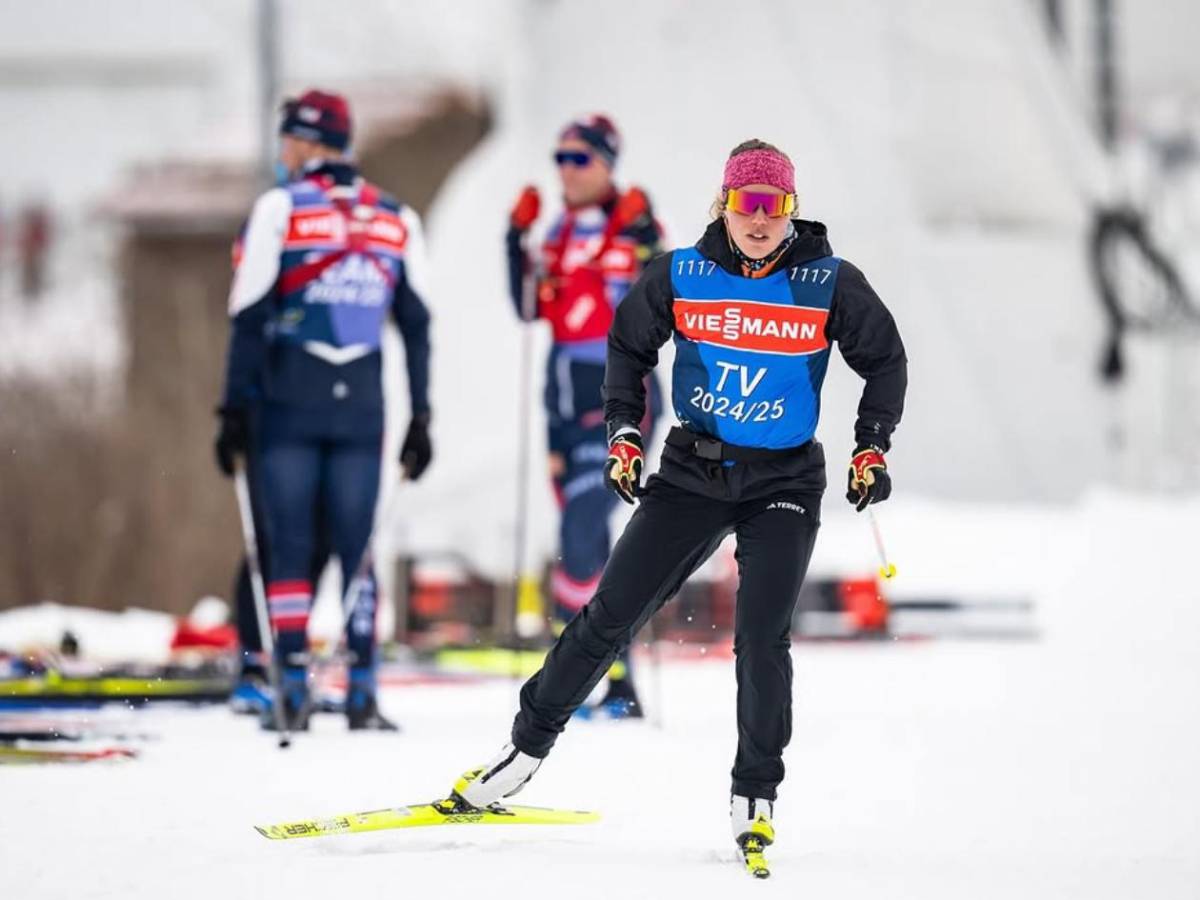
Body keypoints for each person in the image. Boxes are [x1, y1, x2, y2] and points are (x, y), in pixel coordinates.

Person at [454, 140, 907, 866]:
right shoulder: (682, 273)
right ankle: (521, 753)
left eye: (774, 205)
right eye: (745, 203)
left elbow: (883, 358)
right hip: (693, 472)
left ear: (791, 210)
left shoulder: (827, 281)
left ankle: (755, 794)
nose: (759, 219)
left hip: (784, 483)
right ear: (723, 205)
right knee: (610, 612)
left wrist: (870, 445)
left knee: (762, 636)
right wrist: (624, 433)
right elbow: (628, 346)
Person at [215, 89, 433, 731]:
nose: (284, 155)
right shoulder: (398, 216)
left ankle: (289, 688)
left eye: (288, 142)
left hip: (288, 404)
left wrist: (231, 409)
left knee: (289, 545)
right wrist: (423, 416)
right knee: (357, 547)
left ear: (308, 143)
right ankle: (362, 692)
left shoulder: (279, 208)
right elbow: (418, 326)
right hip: (363, 407)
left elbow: (249, 317)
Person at [505, 114, 664, 717]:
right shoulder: (557, 232)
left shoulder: (632, 222)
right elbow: (526, 310)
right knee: (589, 546)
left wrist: (647, 237)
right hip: (566, 401)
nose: (566, 171)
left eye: (579, 159)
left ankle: (575, 657)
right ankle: (615, 678)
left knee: (580, 527)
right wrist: (511, 239)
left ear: (606, 163)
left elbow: (664, 296)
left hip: (625, 394)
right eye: (560, 159)